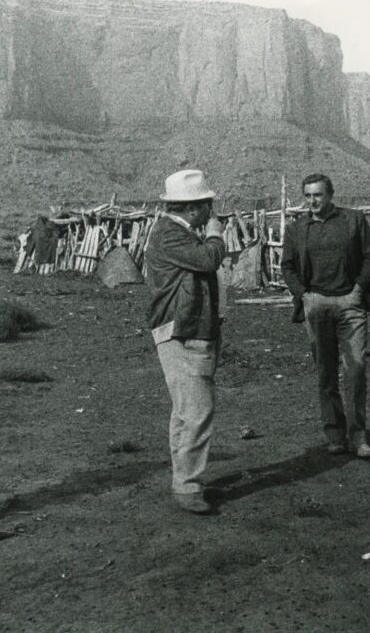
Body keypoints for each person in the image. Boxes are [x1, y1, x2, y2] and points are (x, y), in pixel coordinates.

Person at [281, 173, 370, 459]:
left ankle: (358, 436)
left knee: (357, 368)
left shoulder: (353, 220)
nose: (312, 201)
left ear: (331, 195)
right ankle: (335, 434)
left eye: (318, 195)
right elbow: (287, 266)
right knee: (326, 371)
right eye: (308, 195)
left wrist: (359, 290)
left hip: (350, 303)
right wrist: (304, 295)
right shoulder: (298, 228)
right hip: (317, 304)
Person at [146, 169, 225, 514]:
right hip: (183, 330)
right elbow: (209, 258)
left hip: (188, 327)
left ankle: (184, 480)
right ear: (194, 208)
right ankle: (188, 486)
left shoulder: (175, 232)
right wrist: (216, 235)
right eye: (207, 205)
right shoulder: (171, 235)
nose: (211, 211)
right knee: (197, 410)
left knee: (185, 410)